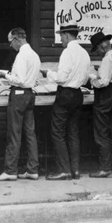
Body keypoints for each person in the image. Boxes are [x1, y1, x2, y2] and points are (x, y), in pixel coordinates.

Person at [40, 23, 90, 180]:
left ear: (67, 35)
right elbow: (85, 78)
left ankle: (63, 170)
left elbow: (61, 78)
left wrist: (48, 73)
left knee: (57, 132)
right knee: (73, 132)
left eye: (61, 36)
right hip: (78, 94)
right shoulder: (84, 53)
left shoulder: (67, 52)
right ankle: (75, 170)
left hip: (65, 94)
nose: (60, 39)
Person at [0, 27, 40, 181]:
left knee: (14, 133)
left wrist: (4, 75)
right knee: (30, 133)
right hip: (30, 94)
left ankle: (10, 170)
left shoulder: (21, 56)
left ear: (16, 39)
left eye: (10, 42)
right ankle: (32, 169)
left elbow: (18, 79)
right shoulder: (34, 55)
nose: (10, 45)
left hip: (19, 94)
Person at [88, 32, 112, 178]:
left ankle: (104, 168)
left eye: (97, 48)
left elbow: (103, 81)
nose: (97, 51)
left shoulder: (107, 59)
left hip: (104, 95)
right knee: (111, 130)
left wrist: (92, 80)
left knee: (101, 131)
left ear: (102, 46)